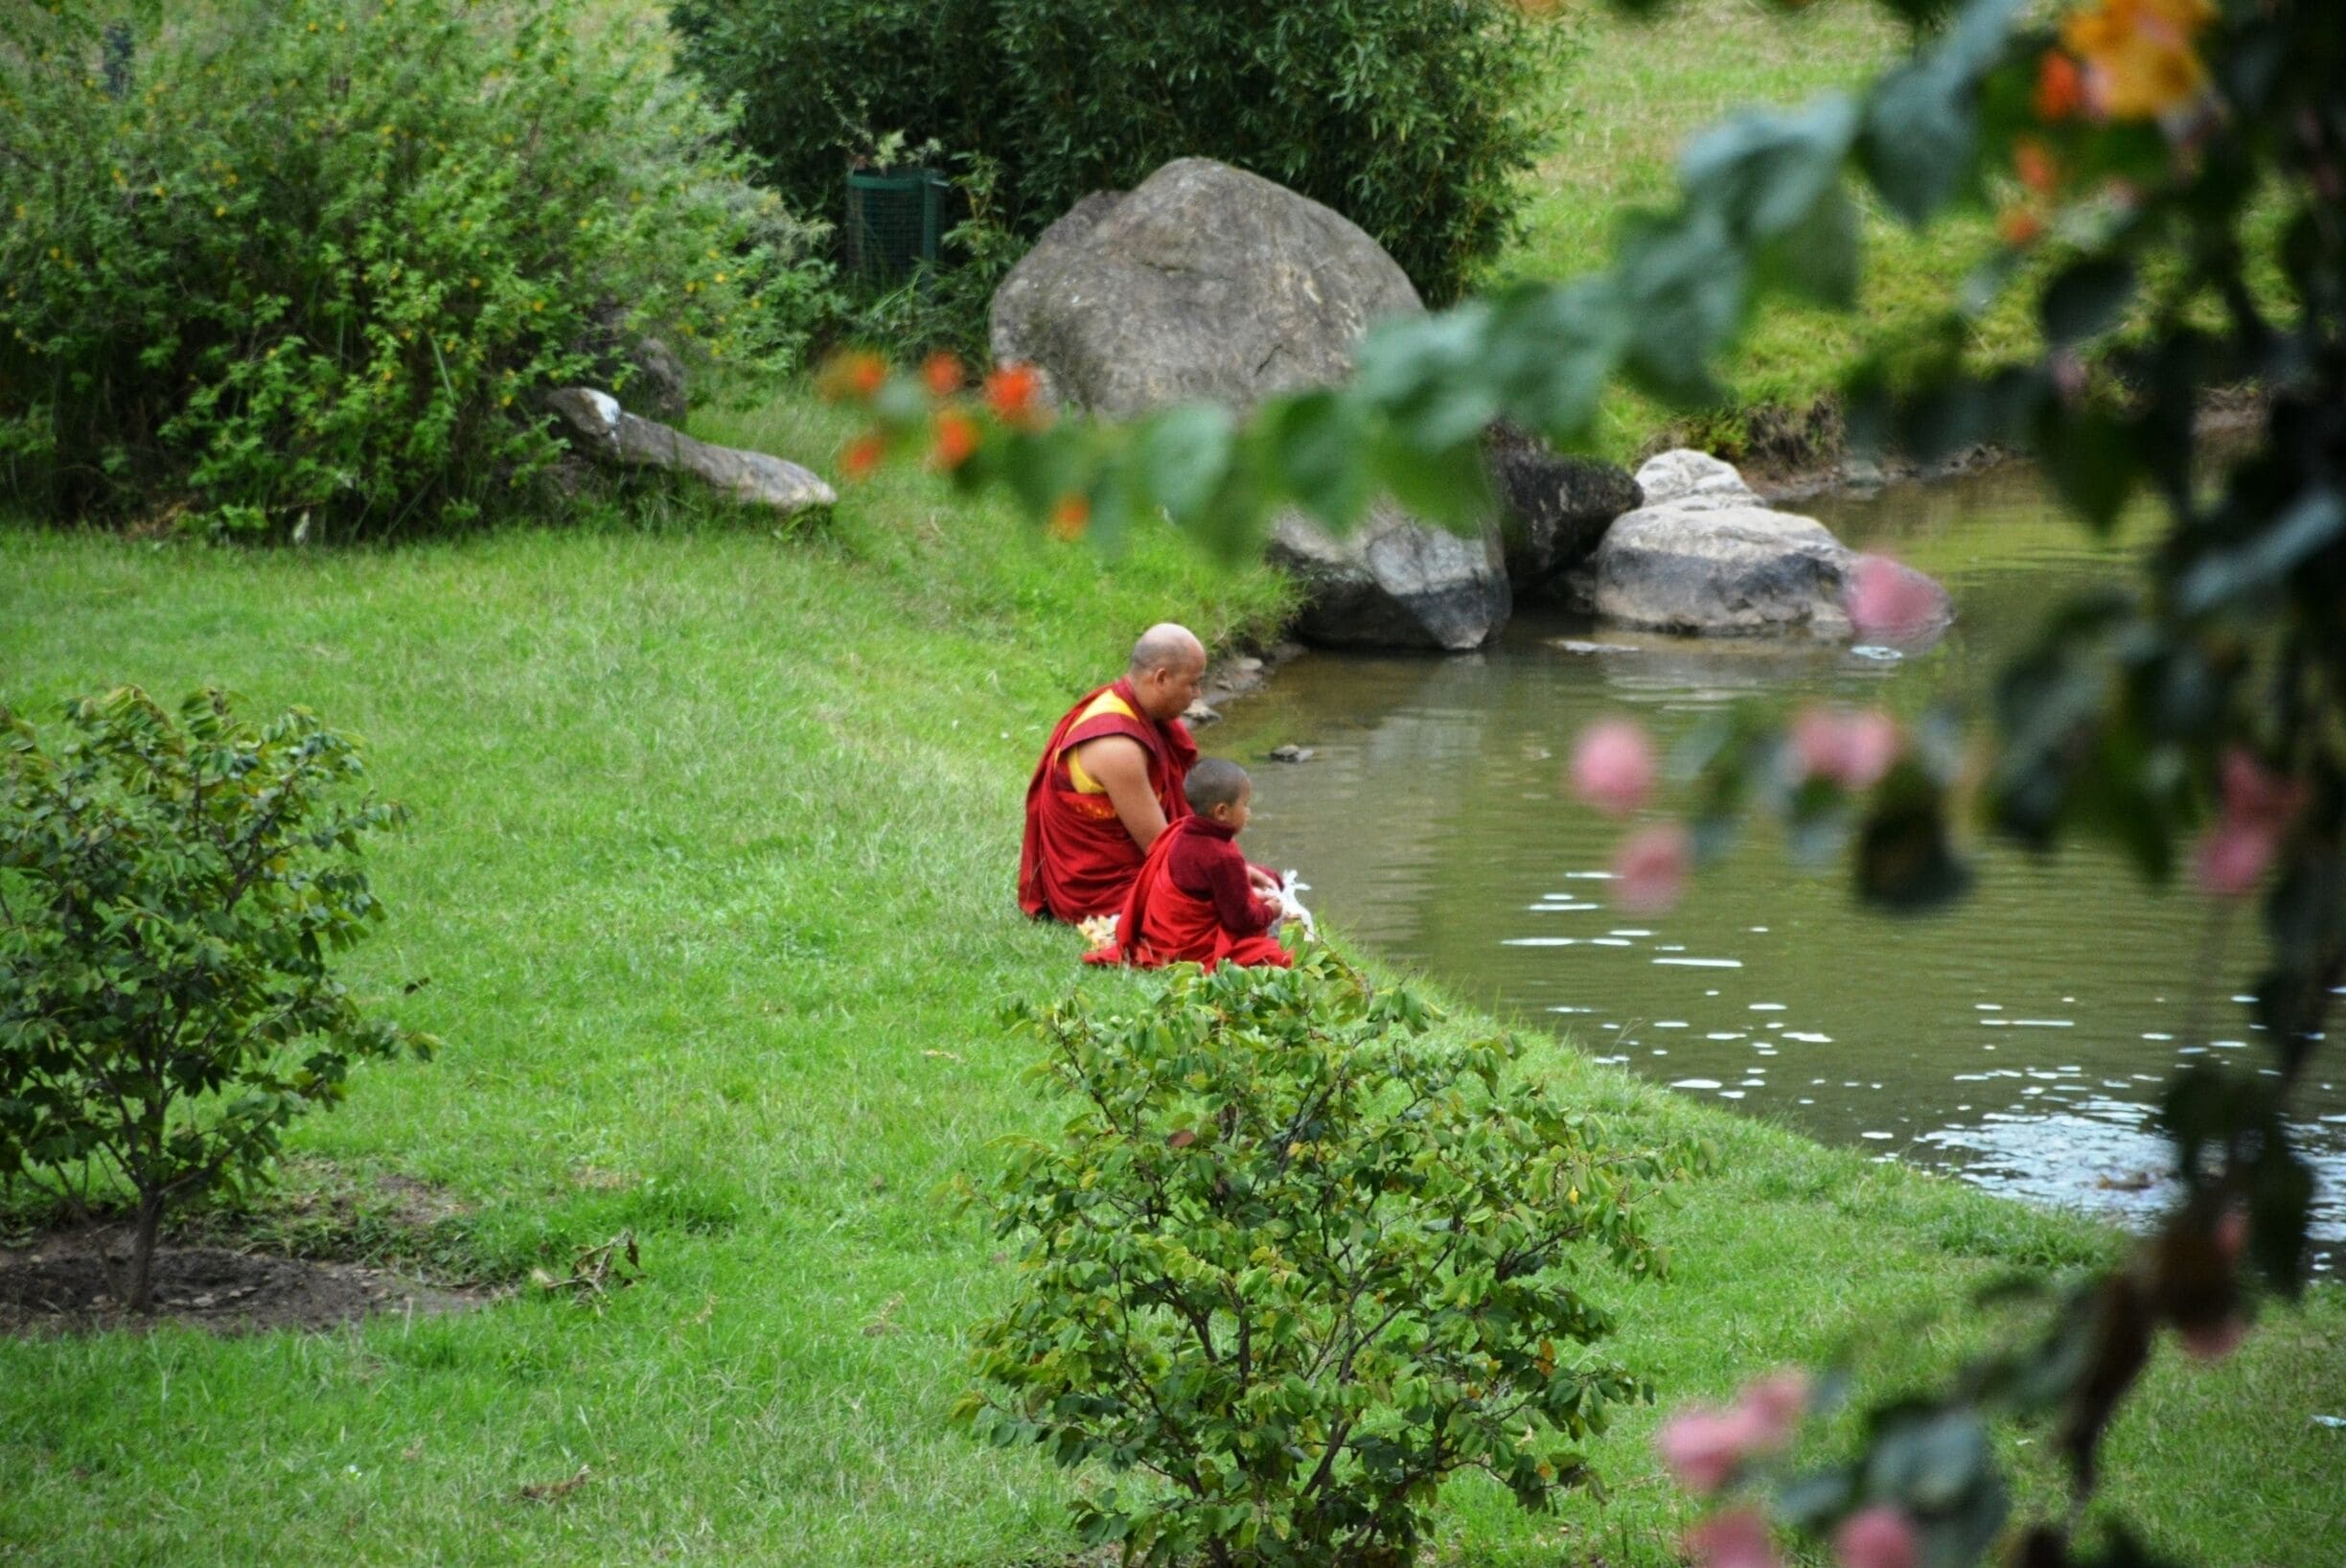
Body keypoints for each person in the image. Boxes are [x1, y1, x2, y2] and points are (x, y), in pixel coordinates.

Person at [1021, 623, 1270, 922]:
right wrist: (1231, 882)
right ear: (1162, 678)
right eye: (1193, 683)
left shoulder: (1136, 709)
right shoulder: (1117, 746)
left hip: (1140, 866)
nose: (1198, 693)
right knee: (1235, 909)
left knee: (1262, 882)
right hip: (1102, 893)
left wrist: (1234, 871)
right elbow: (1163, 851)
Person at [1084, 758, 1293, 971]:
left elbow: (1203, 879)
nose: (1248, 812)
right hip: (1192, 947)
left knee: (1268, 875)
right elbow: (1239, 921)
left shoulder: (1180, 831)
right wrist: (1270, 911)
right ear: (1221, 812)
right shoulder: (1222, 856)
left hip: (1163, 935)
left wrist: (1244, 874)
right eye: (1245, 804)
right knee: (1279, 956)